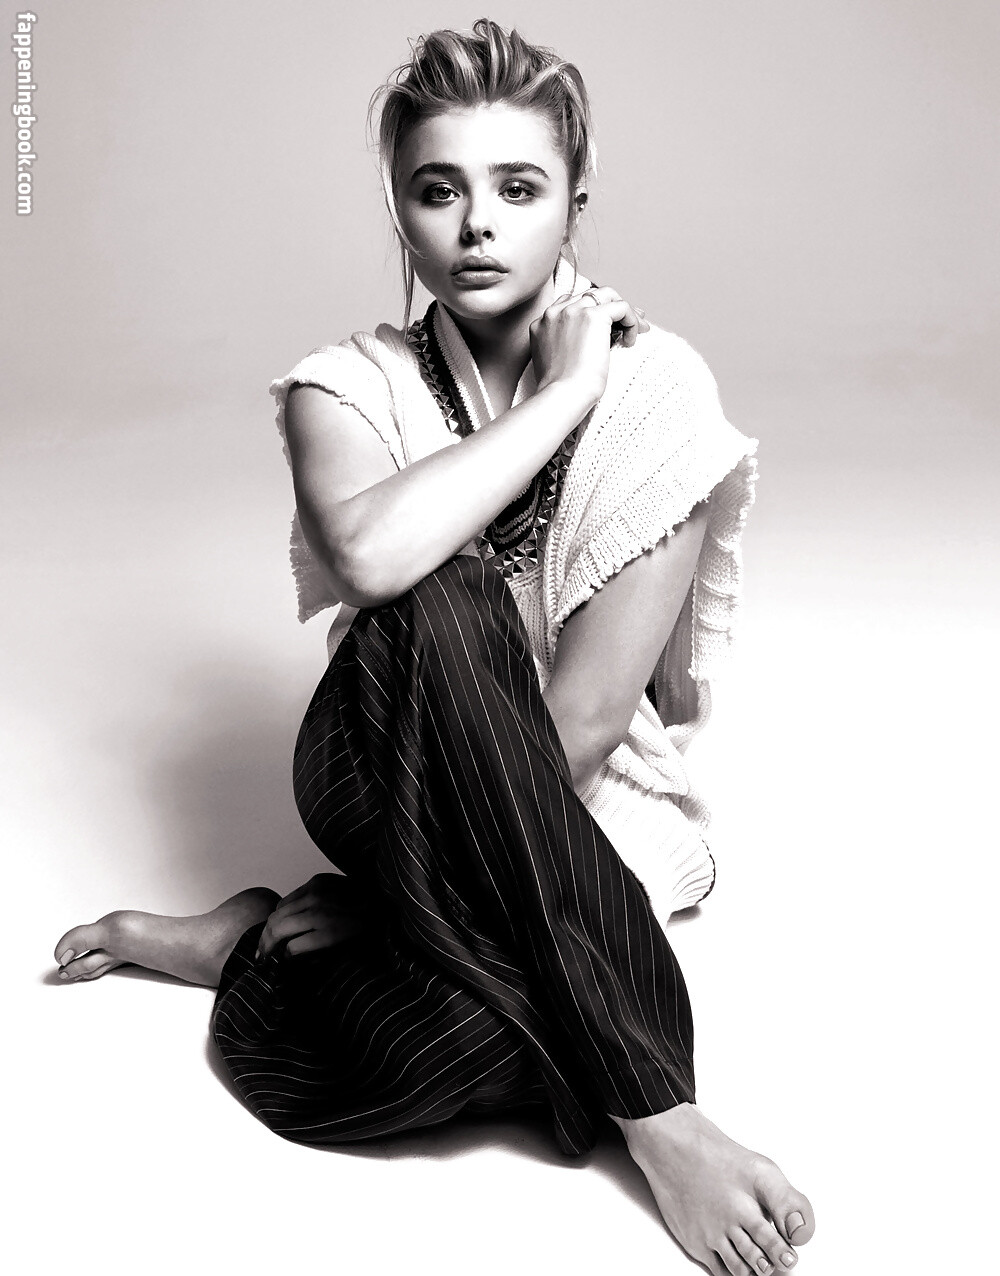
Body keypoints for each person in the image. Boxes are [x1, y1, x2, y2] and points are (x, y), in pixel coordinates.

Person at [53, 20, 815, 1275]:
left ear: (574, 205)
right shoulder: (341, 386)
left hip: (577, 790)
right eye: (438, 189)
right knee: (442, 589)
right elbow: (367, 559)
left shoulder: (663, 393)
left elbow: (581, 726)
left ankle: (240, 943)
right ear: (399, 210)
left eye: (517, 189)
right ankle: (657, 1112)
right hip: (382, 761)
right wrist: (559, 397)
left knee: (467, 1046)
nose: (477, 227)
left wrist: (396, 907)